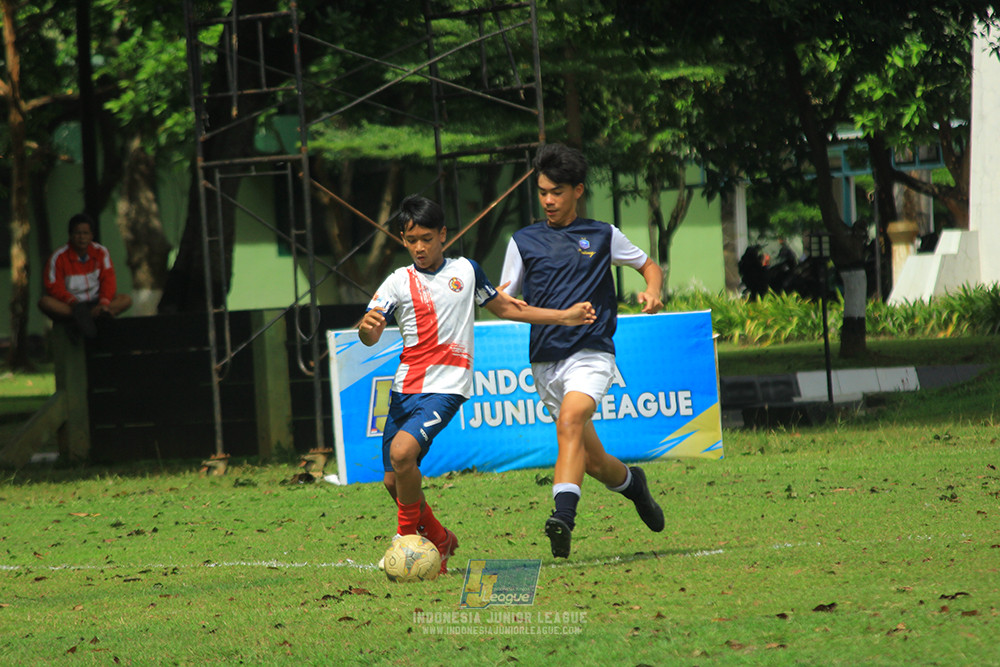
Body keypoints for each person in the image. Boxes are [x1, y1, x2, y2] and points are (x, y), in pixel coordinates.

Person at [359, 194, 596, 574]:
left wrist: (564, 316)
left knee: (403, 455)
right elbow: (371, 331)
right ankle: (440, 538)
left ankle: (405, 539)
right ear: (402, 240)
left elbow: (508, 307)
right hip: (405, 389)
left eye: (426, 238)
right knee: (394, 480)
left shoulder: (466, 272)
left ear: (443, 235)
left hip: (447, 387)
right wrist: (367, 329)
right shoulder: (396, 282)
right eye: (411, 240)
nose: (419, 247)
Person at [499, 143, 666, 559]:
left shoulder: (603, 234)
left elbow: (649, 266)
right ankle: (634, 484)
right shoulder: (523, 241)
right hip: (545, 361)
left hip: (592, 353)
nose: (548, 200)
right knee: (592, 461)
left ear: (578, 191)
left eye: (556, 192)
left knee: (571, 419)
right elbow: (505, 302)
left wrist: (652, 290)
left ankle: (563, 518)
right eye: (542, 192)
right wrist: (547, 312)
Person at [39, 213, 132, 339]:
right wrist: (73, 302)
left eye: (85, 233)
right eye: (78, 233)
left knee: (126, 299)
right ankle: (93, 317)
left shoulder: (101, 252)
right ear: (70, 235)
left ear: (91, 235)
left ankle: (87, 318)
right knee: (45, 302)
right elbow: (53, 286)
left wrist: (104, 302)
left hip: (96, 302)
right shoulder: (58, 257)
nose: (82, 237)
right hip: (73, 306)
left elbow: (108, 280)